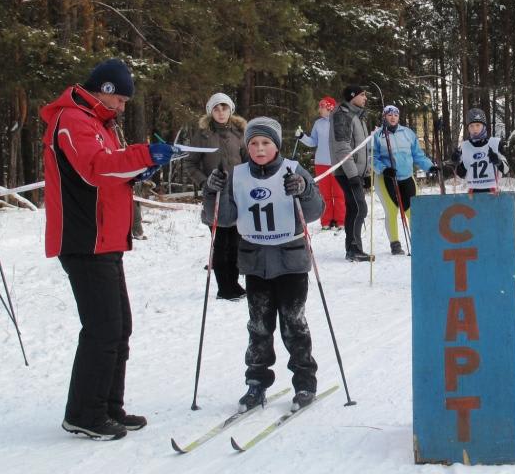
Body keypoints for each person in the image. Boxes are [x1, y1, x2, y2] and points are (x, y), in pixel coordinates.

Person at [42, 58, 177, 440]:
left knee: (119, 328)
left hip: (107, 239)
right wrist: (145, 155)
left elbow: (113, 171)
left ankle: (107, 407)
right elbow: (95, 168)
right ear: (104, 90)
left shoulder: (101, 124)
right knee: (103, 328)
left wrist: (140, 170)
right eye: (120, 99)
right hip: (83, 239)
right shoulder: (72, 120)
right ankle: (85, 414)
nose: (121, 107)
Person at [203, 117, 324, 413]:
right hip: (255, 262)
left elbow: (315, 211)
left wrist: (304, 189)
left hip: (291, 261)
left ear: (277, 145)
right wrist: (212, 191)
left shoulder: (293, 170)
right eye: (254, 143)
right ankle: (256, 382)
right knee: (258, 326)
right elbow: (222, 218)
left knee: (293, 323)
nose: (259, 149)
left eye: (266, 143)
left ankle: (305, 382)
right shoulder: (237, 175)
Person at [183, 92, 247, 300]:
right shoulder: (202, 136)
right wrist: (205, 183)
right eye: (216, 109)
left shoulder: (240, 134)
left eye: (224, 108)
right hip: (215, 195)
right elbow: (190, 163)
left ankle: (234, 283)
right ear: (211, 112)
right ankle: (223, 288)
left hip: (237, 194)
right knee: (220, 242)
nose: (221, 112)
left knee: (235, 241)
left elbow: (248, 161)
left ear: (231, 110)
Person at [372, 104, 435, 254]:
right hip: (387, 178)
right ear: (384, 117)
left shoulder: (407, 133)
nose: (393, 117)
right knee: (392, 210)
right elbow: (372, 158)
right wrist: (384, 169)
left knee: (413, 211)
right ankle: (395, 244)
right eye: (389, 115)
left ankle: (418, 241)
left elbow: (417, 155)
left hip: (406, 177)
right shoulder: (377, 135)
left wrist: (430, 167)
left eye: (395, 115)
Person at [329, 86, 372, 261]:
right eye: (362, 95)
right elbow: (342, 147)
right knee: (359, 208)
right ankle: (353, 249)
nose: (365, 98)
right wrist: (353, 174)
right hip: (346, 172)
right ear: (352, 96)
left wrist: (366, 173)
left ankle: (353, 248)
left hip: (355, 172)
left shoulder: (357, 116)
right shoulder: (343, 115)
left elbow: (363, 148)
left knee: (355, 207)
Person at [296, 96, 346, 231]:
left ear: (329, 107)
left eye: (321, 107)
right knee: (325, 194)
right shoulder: (318, 123)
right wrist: (302, 137)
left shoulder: (340, 122)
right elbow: (313, 142)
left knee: (339, 193)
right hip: (321, 163)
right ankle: (326, 221)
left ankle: (341, 220)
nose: (319, 110)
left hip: (337, 163)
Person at [453, 108, 509, 192]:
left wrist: (497, 161)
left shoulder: (495, 143)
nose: (474, 129)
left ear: (484, 126)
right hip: (473, 193)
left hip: (492, 191)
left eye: (478, 125)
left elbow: (506, 170)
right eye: (471, 126)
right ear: (468, 128)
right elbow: (462, 174)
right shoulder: (465, 146)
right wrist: (456, 162)